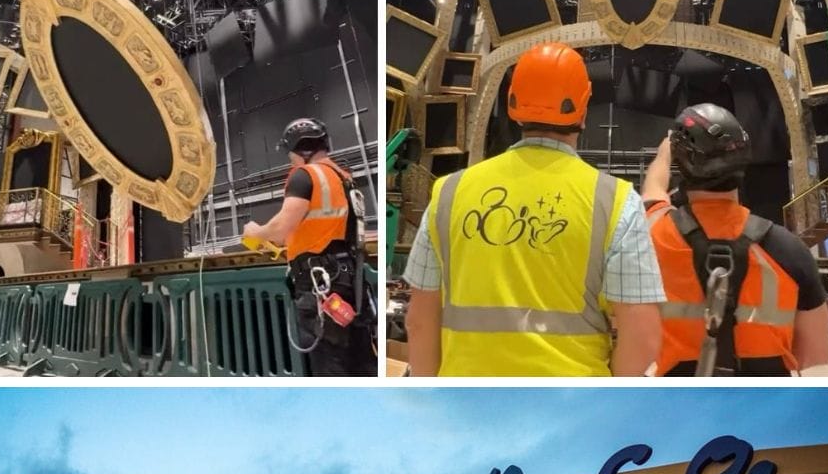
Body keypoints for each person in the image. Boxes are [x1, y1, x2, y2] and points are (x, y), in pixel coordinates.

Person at [403, 42, 663, 376]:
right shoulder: (615, 201)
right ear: (582, 110)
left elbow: (419, 323)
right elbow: (643, 338)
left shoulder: (449, 193)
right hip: (574, 404)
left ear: (512, 104)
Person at [641, 104, 828, 376]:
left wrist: (665, 153)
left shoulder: (654, 233)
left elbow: (653, 190)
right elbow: (816, 353)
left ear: (682, 165)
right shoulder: (790, 250)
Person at [243, 118, 378, 377]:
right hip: (352, 281)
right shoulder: (343, 177)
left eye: (291, 153)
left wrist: (256, 232)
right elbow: (315, 228)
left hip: (321, 285)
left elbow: (283, 226)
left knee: (329, 364)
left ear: (301, 148)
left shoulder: (305, 176)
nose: (290, 159)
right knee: (361, 362)